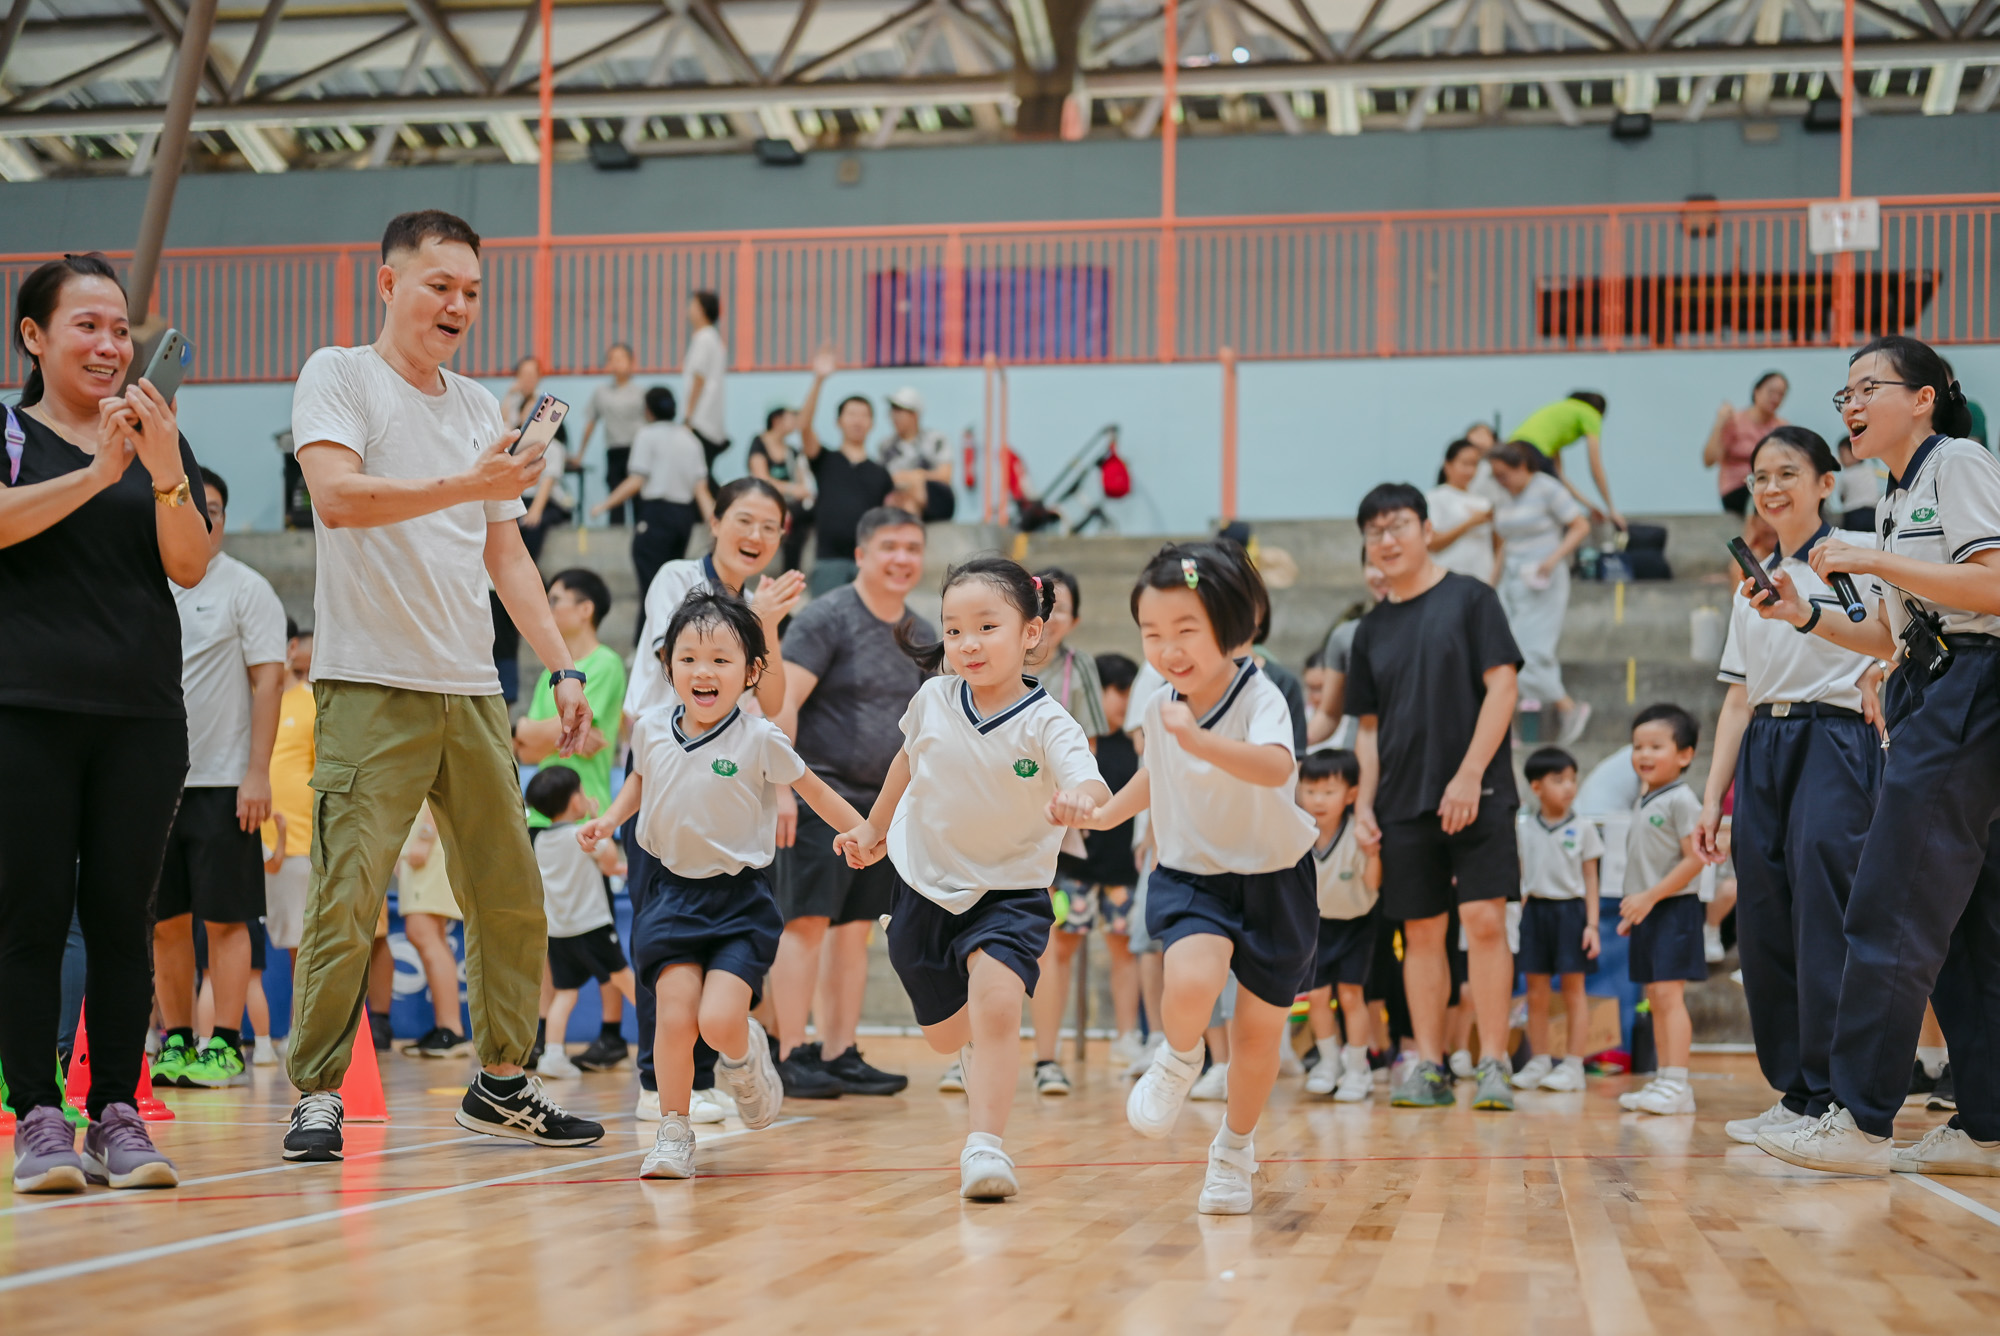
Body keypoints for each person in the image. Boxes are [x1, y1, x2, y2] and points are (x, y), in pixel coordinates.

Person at [280, 209, 603, 1164]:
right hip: (367, 683)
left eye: (471, 291)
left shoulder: (477, 408)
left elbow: (506, 553)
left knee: (509, 894)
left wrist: (562, 663)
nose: (459, 304)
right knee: (348, 894)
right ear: (389, 284)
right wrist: (466, 485)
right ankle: (318, 1094)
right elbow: (337, 499)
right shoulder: (339, 375)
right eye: (440, 285)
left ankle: (502, 1083)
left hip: (470, 687)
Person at [1749, 336, 2000, 1177]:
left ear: (1924, 397)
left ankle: (1859, 1121)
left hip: (1974, 684)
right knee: (1967, 918)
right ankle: (1989, 1126)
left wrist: (1865, 555)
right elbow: (1890, 633)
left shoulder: (1958, 462)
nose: (1851, 405)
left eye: (1868, 388)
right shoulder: (1896, 494)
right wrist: (1801, 614)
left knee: (1888, 903)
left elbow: (1994, 585)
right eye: (1845, 394)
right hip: (1933, 685)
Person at [1, 253, 209, 1193]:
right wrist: (98, 473)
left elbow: (190, 563)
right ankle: (37, 1114)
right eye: (86, 325)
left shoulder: (158, 435)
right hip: (26, 709)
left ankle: (116, 1111)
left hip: (142, 714)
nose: (110, 345)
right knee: (33, 914)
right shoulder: (9, 432)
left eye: (121, 329)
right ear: (34, 336)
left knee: (125, 918)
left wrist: (162, 470)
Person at [837, 558, 1108, 1199]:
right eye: (954, 629)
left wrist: (1082, 799)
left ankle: (985, 1147)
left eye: (987, 626)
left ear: (1031, 632)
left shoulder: (1049, 721)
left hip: (1010, 892)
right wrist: (874, 829)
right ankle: (967, 1051)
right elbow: (906, 761)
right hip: (924, 886)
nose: (968, 643)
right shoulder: (933, 698)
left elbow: (1089, 779)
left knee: (998, 1006)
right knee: (944, 1037)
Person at [582, 591, 867, 1180]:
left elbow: (813, 789)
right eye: (687, 658)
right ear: (668, 666)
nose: (702, 672)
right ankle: (673, 1131)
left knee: (716, 1021)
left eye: (719, 659)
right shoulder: (651, 729)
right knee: (673, 1017)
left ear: (752, 671)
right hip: (668, 895)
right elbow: (640, 782)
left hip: (739, 901)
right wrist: (609, 820)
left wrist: (863, 832)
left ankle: (745, 1055)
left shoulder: (760, 738)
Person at [1077, 540, 1319, 1216]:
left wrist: (1197, 739)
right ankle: (1180, 1057)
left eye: (1186, 629)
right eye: (1152, 633)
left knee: (1257, 1036)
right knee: (1188, 981)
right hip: (1195, 874)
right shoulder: (1161, 702)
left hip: (1275, 878)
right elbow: (1157, 773)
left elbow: (1276, 766)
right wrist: (1105, 813)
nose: (1168, 649)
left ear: (1232, 625)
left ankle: (1234, 1150)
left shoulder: (1262, 693)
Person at [1696, 426, 1885, 1147]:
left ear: (1825, 483)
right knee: (1765, 919)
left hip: (1833, 741)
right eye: (1760, 477)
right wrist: (1713, 797)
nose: (1771, 488)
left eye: (1787, 473)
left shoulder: (1856, 556)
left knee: (1822, 914)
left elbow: (1892, 641)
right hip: (1764, 748)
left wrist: (1877, 675)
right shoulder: (1752, 585)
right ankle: (1797, 1094)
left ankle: (1838, 1096)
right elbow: (1736, 699)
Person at [619, 479, 804, 1121]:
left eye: (770, 527)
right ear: (716, 520)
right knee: (661, 935)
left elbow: (771, 703)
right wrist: (754, 616)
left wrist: (767, 623)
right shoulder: (677, 577)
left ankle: (702, 1079)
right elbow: (677, 665)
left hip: (730, 778)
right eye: (744, 520)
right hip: (665, 768)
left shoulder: (761, 606)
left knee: (719, 942)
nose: (756, 536)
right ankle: (658, 1085)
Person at [1344, 483, 1523, 1114]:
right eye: (1375, 532)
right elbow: (1368, 730)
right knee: (1421, 933)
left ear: (1426, 530)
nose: (1387, 540)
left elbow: (1503, 688)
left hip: (1480, 791)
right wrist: (1364, 804)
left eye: (1398, 525)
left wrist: (1470, 774)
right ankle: (1429, 1062)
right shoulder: (1369, 630)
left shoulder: (1472, 599)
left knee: (1484, 922)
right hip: (1401, 801)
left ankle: (1494, 1061)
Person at [770, 507, 930, 1097]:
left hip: (881, 808)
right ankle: (789, 1053)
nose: (902, 558)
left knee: (856, 928)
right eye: (889, 546)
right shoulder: (827, 617)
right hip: (821, 797)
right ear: (861, 554)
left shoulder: (921, 632)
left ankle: (839, 1052)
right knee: (806, 922)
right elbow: (782, 702)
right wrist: (782, 789)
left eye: (912, 548)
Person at [153, 466, 288, 1091]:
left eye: (211, 508)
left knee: (227, 920)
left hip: (225, 783)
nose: (202, 518)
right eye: (189, 505)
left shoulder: (246, 588)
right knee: (165, 922)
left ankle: (226, 1045)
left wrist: (256, 772)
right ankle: (177, 1039)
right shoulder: (148, 583)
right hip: (155, 786)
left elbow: (269, 682)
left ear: (223, 519)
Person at [513, 568, 629, 1071]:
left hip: (587, 815)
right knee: (546, 930)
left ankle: (612, 1033)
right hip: (540, 815)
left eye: (556, 598)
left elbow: (576, 730)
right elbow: (526, 744)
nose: (549, 604)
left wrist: (535, 729)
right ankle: (542, 1035)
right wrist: (537, 730)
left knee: (597, 922)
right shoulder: (552, 671)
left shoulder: (605, 664)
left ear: (586, 609)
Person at [1023, 567, 1108, 1094]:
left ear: (1072, 619)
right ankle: (965, 1052)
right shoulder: (987, 660)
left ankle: (1046, 1059)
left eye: (1058, 607)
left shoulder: (1080, 668)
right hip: (982, 818)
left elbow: (1088, 752)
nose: (1048, 616)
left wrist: (1071, 800)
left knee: (1045, 938)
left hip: (1053, 821)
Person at [1614, 704, 1706, 1117]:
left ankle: (1677, 1083)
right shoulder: (1646, 797)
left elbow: (1695, 859)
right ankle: (1664, 1079)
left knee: (1669, 996)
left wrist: (1649, 897)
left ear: (1684, 754)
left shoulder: (1682, 799)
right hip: (1648, 910)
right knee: (1654, 996)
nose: (1644, 754)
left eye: (1655, 746)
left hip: (1674, 909)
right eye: (1638, 746)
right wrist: (1635, 909)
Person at [1054, 652, 1145, 1068]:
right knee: (1059, 951)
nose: (1125, 702)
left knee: (1125, 953)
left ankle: (1127, 1037)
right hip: (1075, 871)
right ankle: (1051, 1038)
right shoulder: (1077, 745)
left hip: (1123, 873)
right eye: (1118, 691)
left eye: (1130, 692)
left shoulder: (1136, 746)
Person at [524, 768, 634, 1079]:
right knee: (626, 981)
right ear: (575, 801)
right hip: (592, 927)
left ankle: (553, 1056)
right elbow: (609, 863)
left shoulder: (539, 840)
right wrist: (598, 821)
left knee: (565, 993)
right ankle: (663, 1036)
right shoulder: (584, 834)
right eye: (583, 792)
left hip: (558, 932)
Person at [1508, 747, 1603, 1094]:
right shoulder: (1523, 828)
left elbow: (1591, 878)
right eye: (1559, 780)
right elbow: (1520, 875)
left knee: (1574, 991)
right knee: (1536, 993)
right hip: (1535, 912)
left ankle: (1574, 1065)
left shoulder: (1583, 828)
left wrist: (1592, 925)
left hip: (1571, 913)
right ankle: (1540, 1060)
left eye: (1572, 780)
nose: (1569, 787)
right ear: (1536, 787)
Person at [1486, 440, 1593, 746]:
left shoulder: (1547, 488)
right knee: (1502, 650)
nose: (1500, 480)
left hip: (1543, 578)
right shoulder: (1501, 494)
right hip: (1511, 579)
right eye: (1495, 475)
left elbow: (1580, 525)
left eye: (1504, 474)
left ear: (1522, 467)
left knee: (1528, 651)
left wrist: (1553, 558)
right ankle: (1509, 726)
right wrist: (1491, 582)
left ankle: (1566, 706)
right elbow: (1504, 542)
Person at [1297, 749, 1382, 1104]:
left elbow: (1374, 884)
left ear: (1351, 795)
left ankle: (1358, 1069)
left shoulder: (1358, 834)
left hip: (1356, 926)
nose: (1318, 800)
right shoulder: (1298, 833)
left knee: (1350, 995)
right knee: (1317, 996)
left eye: (1329, 792)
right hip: (1315, 927)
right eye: (1310, 790)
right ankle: (1329, 1063)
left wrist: (1373, 854)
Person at [594, 386, 712, 604]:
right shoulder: (690, 440)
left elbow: (636, 481)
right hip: (684, 518)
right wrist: (714, 524)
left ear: (647, 410)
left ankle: (650, 628)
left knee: (653, 592)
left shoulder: (646, 435)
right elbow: (701, 491)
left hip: (657, 516)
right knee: (672, 586)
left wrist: (604, 505)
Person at [798, 349, 894, 596]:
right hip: (828, 561)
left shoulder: (881, 473)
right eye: (851, 414)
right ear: (838, 421)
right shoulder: (824, 459)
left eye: (863, 415)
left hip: (869, 562)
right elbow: (804, 427)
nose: (857, 420)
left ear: (872, 423)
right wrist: (819, 380)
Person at [393, 803, 472, 1059]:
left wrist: (425, 837)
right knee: (431, 934)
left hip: (430, 844)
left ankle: (451, 1029)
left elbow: (437, 788)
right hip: (425, 842)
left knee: (422, 931)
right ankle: (447, 1028)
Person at [263, 624, 316, 964]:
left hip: (297, 842)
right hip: (246, 838)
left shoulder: (312, 703)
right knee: (229, 938)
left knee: (302, 946)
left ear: (290, 648)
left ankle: (302, 1008)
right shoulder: (251, 702)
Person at [1507, 391, 1623, 529]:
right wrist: (1611, 509)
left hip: (1510, 449)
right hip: (1531, 451)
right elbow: (1596, 467)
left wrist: (1589, 506)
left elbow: (1559, 477)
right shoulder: (1591, 414)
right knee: (1561, 513)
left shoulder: (1561, 413)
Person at [1304, 565, 1390, 750]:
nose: (1380, 575)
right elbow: (1328, 714)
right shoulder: (1346, 635)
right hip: (1358, 748)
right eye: (1372, 564)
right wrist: (1291, 745)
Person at [1702, 371, 1788, 552]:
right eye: (1771, 391)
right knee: (1760, 495)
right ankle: (1748, 549)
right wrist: (1720, 422)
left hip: (1768, 488)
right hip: (1736, 489)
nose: (1775, 398)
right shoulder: (1735, 421)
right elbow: (1708, 460)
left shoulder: (1782, 427)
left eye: (1781, 394)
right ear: (1756, 391)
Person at [579, 342, 645, 526]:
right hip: (614, 452)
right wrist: (580, 454)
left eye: (621, 358)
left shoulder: (641, 393)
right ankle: (615, 537)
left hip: (637, 452)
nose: (616, 363)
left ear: (631, 362)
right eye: (612, 359)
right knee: (615, 500)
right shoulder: (601, 392)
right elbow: (591, 423)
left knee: (639, 499)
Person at [747, 406, 813, 573]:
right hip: (767, 500)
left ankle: (791, 572)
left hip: (792, 506)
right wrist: (792, 489)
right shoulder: (759, 443)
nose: (796, 421)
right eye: (791, 417)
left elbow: (803, 482)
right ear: (777, 420)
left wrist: (801, 490)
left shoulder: (792, 451)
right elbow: (761, 478)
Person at [1427, 438, 1498, 583]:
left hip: (1482, 577)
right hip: (1446, 577)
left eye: (1475, 464)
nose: (1470, 471)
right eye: (1465, 464)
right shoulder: (1435, 498)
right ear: (1448, 465)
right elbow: (1431, 543)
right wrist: (1470, 523)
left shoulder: (1484, 502)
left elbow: (1497, 545)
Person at [880, 387, 955, 522]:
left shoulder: (935, 439)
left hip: (934, 499)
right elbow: (884, 480)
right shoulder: (886, 446)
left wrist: (916, 476)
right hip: (899, 499)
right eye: (893, 412)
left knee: (916, 487)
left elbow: (945, 475)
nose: (895, 417)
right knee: (897, 500)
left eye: (899, 412)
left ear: (914, 415)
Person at [683, 291, 729, 481]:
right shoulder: (713, 338)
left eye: (692, 305)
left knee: (700, 477)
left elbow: (698, 379)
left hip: (701, 419)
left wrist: (688, 417)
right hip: (709, 420)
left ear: (702, 310)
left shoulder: (704, 338)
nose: (688, 310)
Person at [1835, 436, 1885, 534]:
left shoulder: (1846, 475)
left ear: (1854, 453)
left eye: (1842, 454)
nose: (1841, 458)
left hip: (1853, 515)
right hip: (1872, 514)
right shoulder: (1869, 470)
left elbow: (1842, 497)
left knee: (1851, 539)